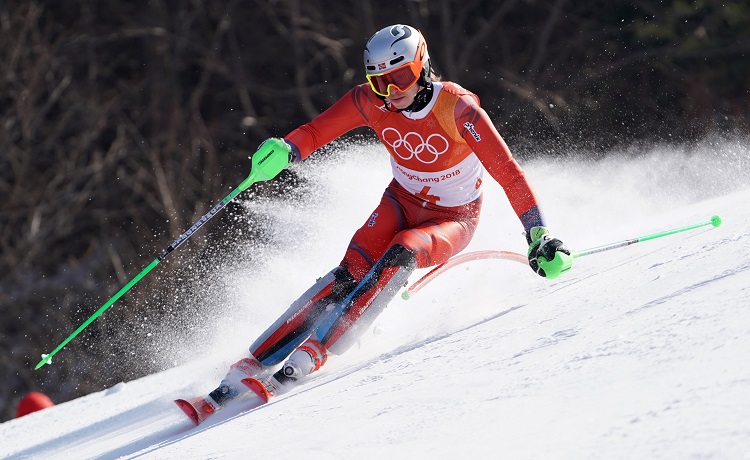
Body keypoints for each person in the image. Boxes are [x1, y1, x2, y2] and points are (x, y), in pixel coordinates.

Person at [206, 24, 571, 408]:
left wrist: (538, 234)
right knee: (353, 268)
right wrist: (286, 148)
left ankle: (316, 351)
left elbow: (509, 173)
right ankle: (254, 360)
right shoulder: (369, 101)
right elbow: (315, 131)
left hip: (453, 219)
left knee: (403, 249)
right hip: (400, 202)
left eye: (401, 77)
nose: (392, 92)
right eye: (380, 82)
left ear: (423, 65)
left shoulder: (458, 110)